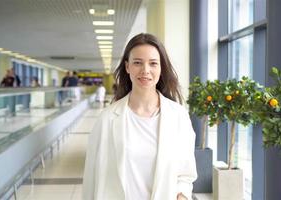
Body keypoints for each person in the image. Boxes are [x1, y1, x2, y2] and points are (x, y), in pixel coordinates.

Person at [83, 33, 197, 200]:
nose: (145, 70)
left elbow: (186, 174)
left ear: (160, 68)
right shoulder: (107, 119)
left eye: (153, 63)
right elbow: (92, 176)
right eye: (137, 63)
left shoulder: (178, 116)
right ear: (127, 67)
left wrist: (182, 195)